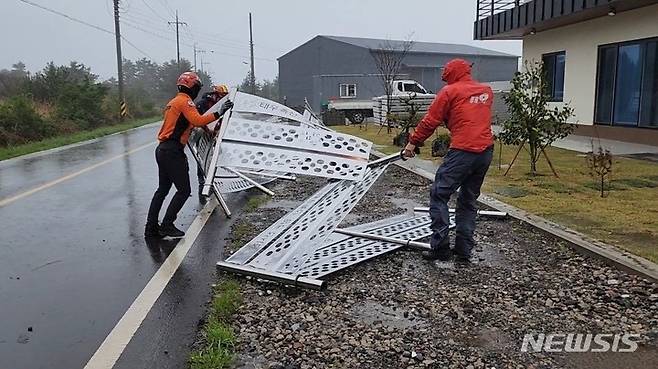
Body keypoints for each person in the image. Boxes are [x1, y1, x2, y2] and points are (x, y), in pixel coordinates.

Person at [402, 59, 494, 263]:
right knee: (468, 200)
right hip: (485, 151)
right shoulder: (486, 91)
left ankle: (440, 247)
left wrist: (412, 143)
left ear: (450, 73)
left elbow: (430, 121)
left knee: (439, 194)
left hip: (462, 151)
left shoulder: (449, 92)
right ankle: (463, 250)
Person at [145, 72, 233, 238]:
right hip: (172, 151)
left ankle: (151, 228)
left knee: (162, 190)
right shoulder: (186, 102)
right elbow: (198, 120)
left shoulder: (173, 102)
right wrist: (218, 112)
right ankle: (167, 225)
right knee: (184, 191)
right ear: (193, 87)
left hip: (162, 149)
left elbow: (189, 123)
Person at [190, 84, 230, 198]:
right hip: (200, 132)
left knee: (216, 155)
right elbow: (198, 119)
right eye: (221, 96)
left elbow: (220, 119)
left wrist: (218, 131)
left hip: (212, 132)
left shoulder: (221, 104)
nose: (222, 98)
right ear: (215, 95)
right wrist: (207, 130)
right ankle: (202, 181)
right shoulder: (203, 103)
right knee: (202, 158)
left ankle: (212, 178)